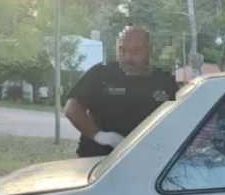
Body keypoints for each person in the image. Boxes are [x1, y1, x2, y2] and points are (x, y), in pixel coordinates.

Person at [64, 25, 179, 157]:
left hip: (146, 158)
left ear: (150, 50)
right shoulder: (101, 74)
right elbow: (72, 109)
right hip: (98, 158)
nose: (127, 57)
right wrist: (100, 136)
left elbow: (177, 120)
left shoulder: (165, 81)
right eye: (122, 50)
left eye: (136, 51)